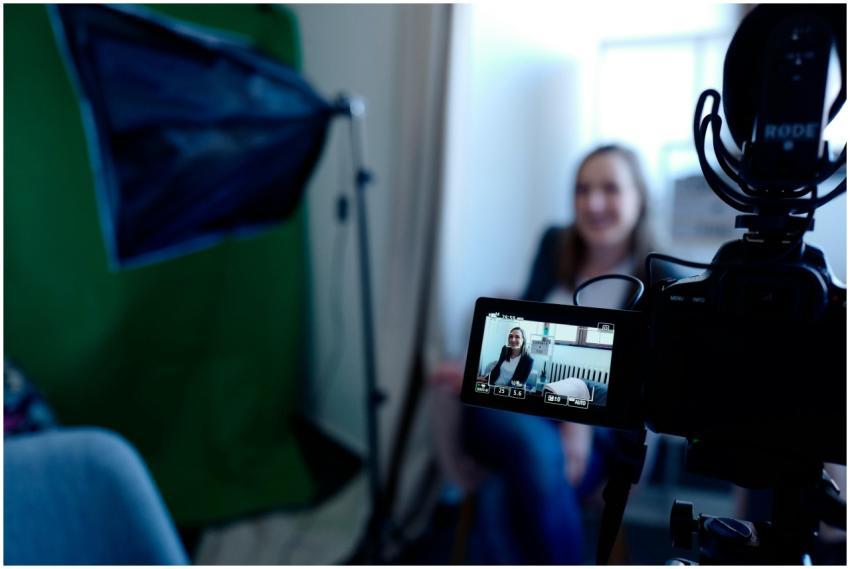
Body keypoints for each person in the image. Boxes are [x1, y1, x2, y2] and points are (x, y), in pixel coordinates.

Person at [460, 144, 656, 564]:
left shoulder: (658, 278)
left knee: (504, 492)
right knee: (536, 450)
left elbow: (644, 393)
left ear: (639, 198)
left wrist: (579, 420)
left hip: (597, 438)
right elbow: (518, 334)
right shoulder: (555, 244)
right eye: (583, 190)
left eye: (610, 189)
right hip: (511, 408)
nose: (594, 203)